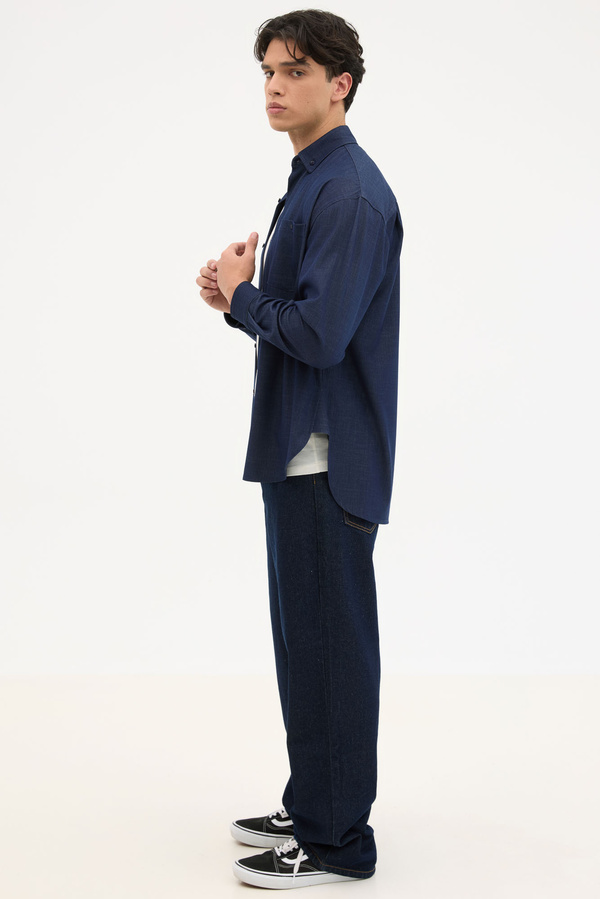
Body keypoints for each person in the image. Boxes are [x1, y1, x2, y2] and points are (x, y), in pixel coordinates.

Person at [196, 10, 403, 890]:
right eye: (268, 71)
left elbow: (320, 336)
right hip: (301, 450)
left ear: (339, 84)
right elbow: (309, 320)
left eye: (295, 71)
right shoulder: (315, 179)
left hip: (327, 457)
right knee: (306, 645)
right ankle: (315, 800)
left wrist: (249, 298)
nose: (275, 86)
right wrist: (238, 300)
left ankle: (337, 842)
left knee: (328, 650)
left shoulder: (348, 192)